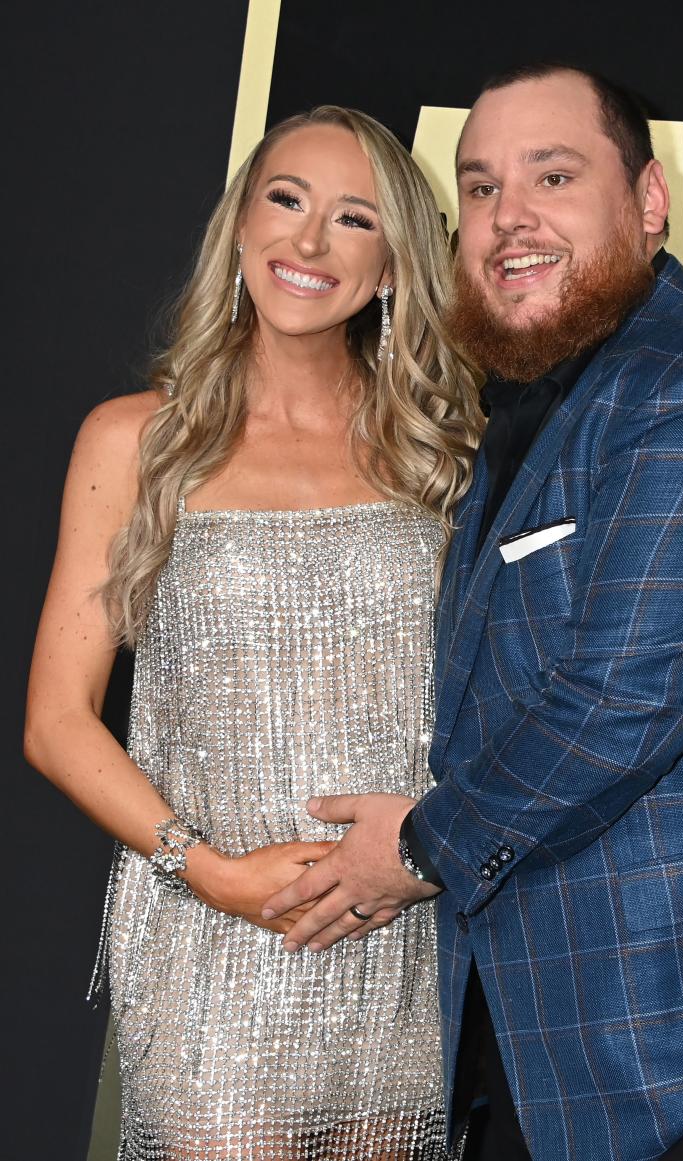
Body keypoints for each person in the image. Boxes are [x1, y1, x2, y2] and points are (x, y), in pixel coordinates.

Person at [261, 66, 683, 1161]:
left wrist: (417, 846)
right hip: (582, 1030)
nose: (510, 218)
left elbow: (612, 703)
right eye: (483, 187)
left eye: (554, 176)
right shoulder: (546, 390)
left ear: (646, 204)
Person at [24, 105, 482, 1160]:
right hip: (210, 946)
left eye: (353, 219)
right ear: (239, 226)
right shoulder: (137, 439)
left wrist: (421, 853)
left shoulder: (447, 456)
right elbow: (55, 722)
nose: (309, 242)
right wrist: (211, 871)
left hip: (399, 932)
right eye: (286, 200)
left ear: (394, 268)